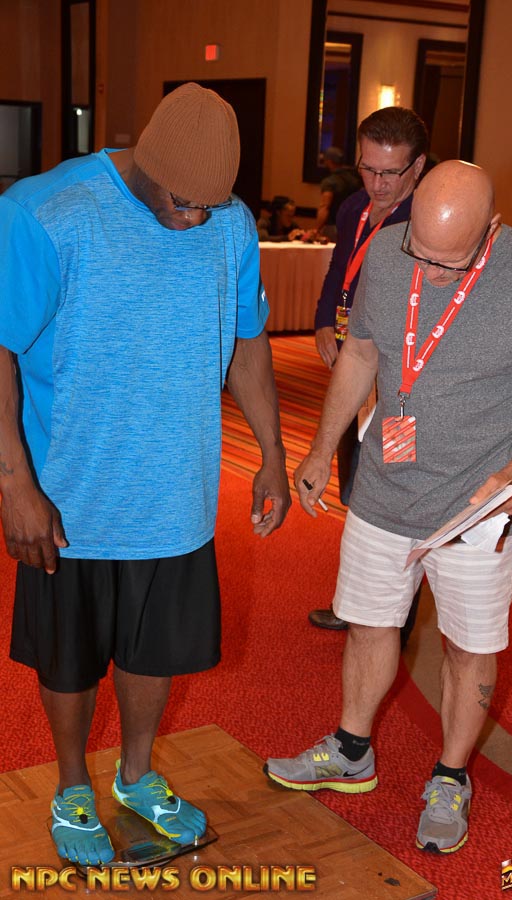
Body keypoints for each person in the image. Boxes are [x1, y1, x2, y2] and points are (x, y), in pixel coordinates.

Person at [265, 160, 512, 854]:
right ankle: (352, 749)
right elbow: (361, 353)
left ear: (491, 230)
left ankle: (450, 776)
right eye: (423, 252)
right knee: (368, 623)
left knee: (469, 647)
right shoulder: (389, 250)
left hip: (478, 507)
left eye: (451, 262)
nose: (432, 274)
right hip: (385, 486)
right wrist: (321, 449)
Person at [0, 83, 291, 866]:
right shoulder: (46, 213)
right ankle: (71, 786)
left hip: (176, 495)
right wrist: (14, 484)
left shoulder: (230, 224)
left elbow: (248, 339)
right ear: (147, 163)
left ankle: (136, 776)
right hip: (70, 498)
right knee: (69, 658)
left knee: (153, 652)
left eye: (209, 206)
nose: (196, 220)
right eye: (181, 203)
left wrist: (272, 453)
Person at [309, 106, 428, 633]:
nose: (376, 184)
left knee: (396, 490)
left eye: (390, 173)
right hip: (353, 373)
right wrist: (323, 319)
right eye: (367, 168)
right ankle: (359, 601)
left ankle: (393, 621)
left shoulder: (430, 220)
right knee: (355, 487)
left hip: (404, 388)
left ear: (418, 167)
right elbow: (341, 268)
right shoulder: (354, 206)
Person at [312, 146, 362, 241]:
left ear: (329, 162)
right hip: (354, 226)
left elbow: (325, 206)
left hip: (333, 228)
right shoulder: (355, 180)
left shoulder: (330, 182)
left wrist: (316, 229)